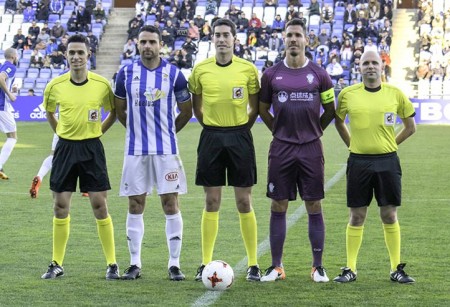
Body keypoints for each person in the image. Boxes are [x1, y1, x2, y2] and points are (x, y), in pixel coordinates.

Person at [258, 18, 335, 283]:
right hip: (281, 148)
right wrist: (278, 130)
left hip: (311, 148)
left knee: (314, 204)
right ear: (283, 39)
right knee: (278, 204)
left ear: (306, 40)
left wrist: (316, 130)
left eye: (298, 35)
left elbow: (331, 110)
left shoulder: (319, 74)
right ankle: (277, 266)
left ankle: (317, 267)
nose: (293, 39)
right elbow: (262, 109)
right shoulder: (270, 75)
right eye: (289, 35)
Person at [114, 25, 192, 281]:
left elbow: (186, 111)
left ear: (161, 45)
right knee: (136, 203)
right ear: (137, 44)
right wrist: (138, 132)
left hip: (166, 151)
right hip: (135, 151)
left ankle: (174, 264)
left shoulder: (175, 74)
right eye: (143, 42)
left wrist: (167, 133)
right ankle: (135, 263)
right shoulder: (125, 73)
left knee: (170, 203)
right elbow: (120, 111)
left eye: (152, 42)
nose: (147, 46)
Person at [188, 18, 261, 282]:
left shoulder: (248, 69)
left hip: (240, 136)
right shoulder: (200, 70)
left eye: (226, 35)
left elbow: (254, 108)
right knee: (212, 201)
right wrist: (211, 125)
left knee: (244, 201)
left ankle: (253, 263)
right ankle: (205, 262)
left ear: (234, 39)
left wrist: (241, 129)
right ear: (212, 39)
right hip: (212, 137)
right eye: (217, 35)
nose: (221, 39)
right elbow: (197, 106)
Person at [40, 34, 119, 280]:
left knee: (99, 205)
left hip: (91, 149)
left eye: (80, 53)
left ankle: (112, 264)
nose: (76, 57)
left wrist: (97, 133)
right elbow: (50, 113)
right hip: (65, 149)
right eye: (71, 52)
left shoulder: (102, 84)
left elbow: (113, 112)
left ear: (89, 55)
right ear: (66, 55)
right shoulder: (55, 86)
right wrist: (62, 133)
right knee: (60, 206)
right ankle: (56, 263)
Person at [333, 50, 416, 284]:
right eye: (365, 63)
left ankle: (395, 268)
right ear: (359, 68)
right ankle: (350, 268)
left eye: (374, 63)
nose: (370, 67)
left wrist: (391, 144)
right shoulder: (348, 95)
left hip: (388, 161)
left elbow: (411, 126)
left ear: (382, 67)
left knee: (389, 214)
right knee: (357, 216)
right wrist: (351, 143)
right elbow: (338, 121)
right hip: (358, 162)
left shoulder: (395, 94)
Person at [0, 48, 19, 180]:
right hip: (2, 106)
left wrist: (10, 89)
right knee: (12, 137)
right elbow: (1, 77)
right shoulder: (10, 66)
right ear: (13, 56)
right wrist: (9, 94)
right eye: (16, 54)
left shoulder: (2, 66)